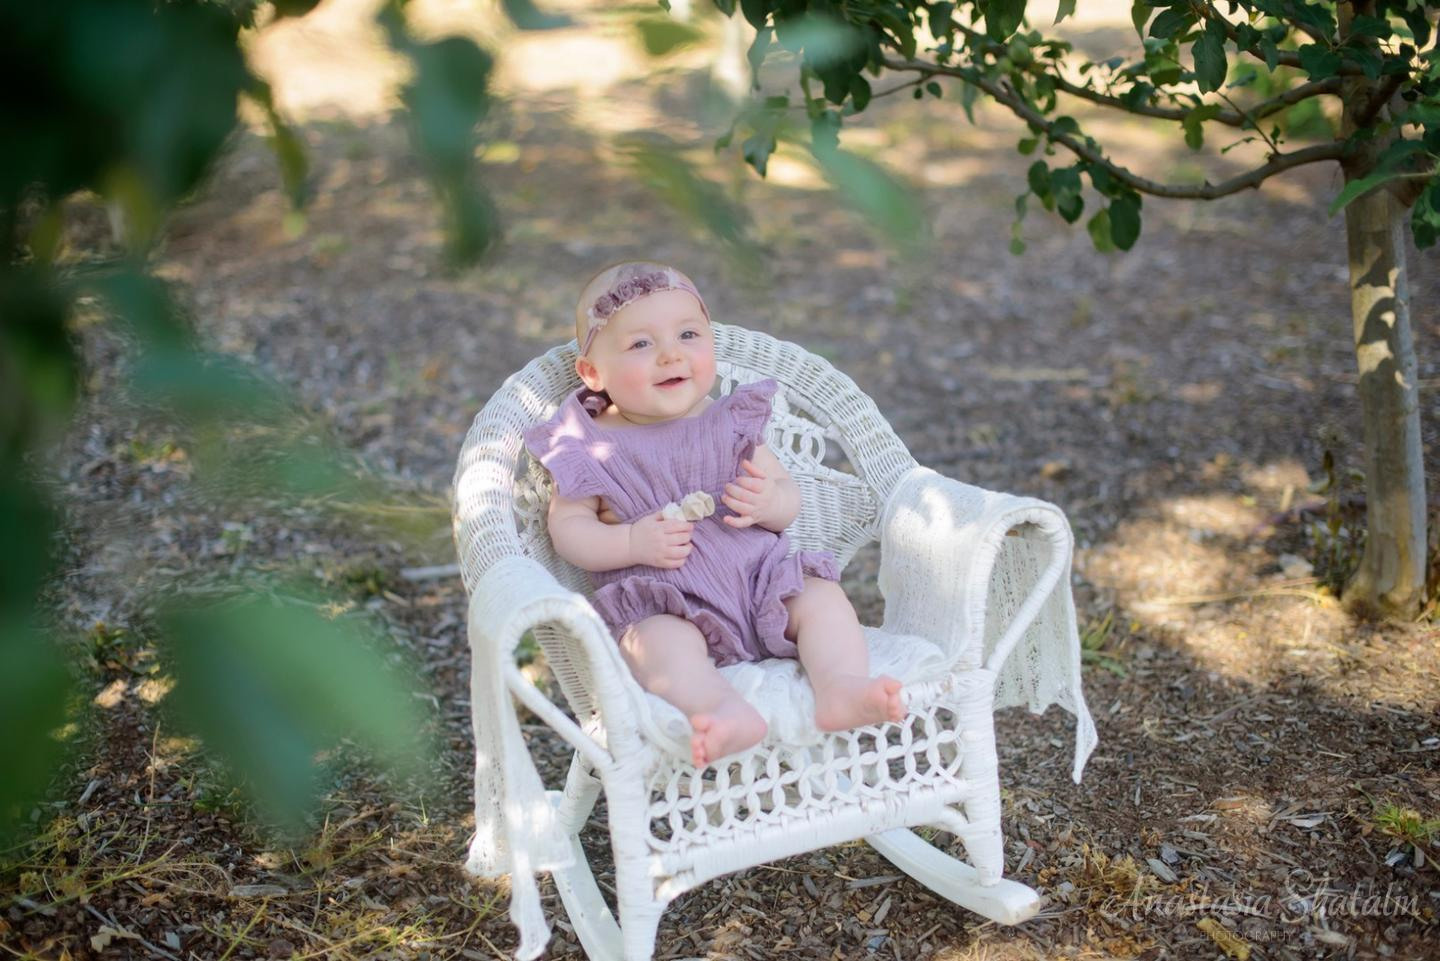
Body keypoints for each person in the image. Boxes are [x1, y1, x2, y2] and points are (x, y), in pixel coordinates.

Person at [523, 261, 903, 768]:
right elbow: (568, 530)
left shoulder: (729, 422)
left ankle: (841, 686)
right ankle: (719, 709)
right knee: (653, 643)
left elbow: (786, 493)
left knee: (821, 598)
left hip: (760, 584)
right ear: (593, 373)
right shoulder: (586, 445)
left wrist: (770, 503)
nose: (671, 354)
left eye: (688, 334)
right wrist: (632, 543)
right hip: (669, 603)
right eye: (641, 344)